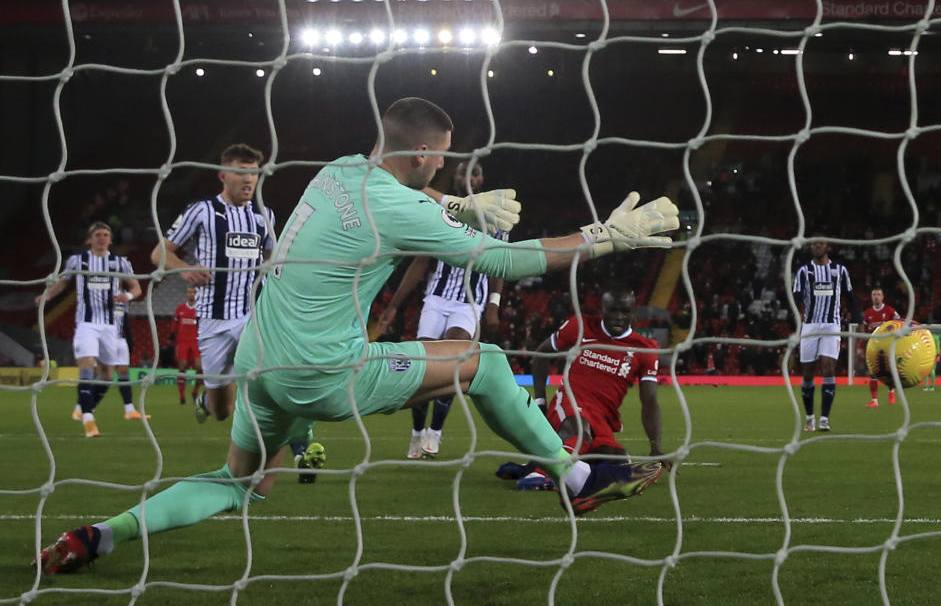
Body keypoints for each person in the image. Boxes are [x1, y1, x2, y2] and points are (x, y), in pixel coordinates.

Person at [35, 97, 680, 574]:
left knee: (237, 484)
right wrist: (604, 236)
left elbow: (395, 208)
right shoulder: (399, 204)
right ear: (428, 155)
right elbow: (500, 261)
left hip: (259, 361)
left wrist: (457, 207)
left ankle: (101, 535)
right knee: (483, 361)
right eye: (443, 157)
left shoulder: (337, 170)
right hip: (322, 372)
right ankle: (575, 479)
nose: (444, 166)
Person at [375, 161, 507, 460]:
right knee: (424, 367)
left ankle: (434, 432)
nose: (468, 178)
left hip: (469, 303)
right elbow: (421, 261)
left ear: (482, 177)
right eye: (463, 172)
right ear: (456, 177)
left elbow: (500, 264)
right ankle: (417, 433)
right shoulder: (439, 212)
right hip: (436, 299)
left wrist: (494, 306)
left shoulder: (496, 218)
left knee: (451, 365)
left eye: (474, 172)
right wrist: (394, 305)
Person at [496, 281, 667, 491]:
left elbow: (649, 401)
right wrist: (540, 401)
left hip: (602, 419)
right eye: (613, 310)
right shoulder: (581, 326)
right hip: (570, 402)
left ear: (633, 312)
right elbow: (540, 356)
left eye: (625, 311)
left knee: (621, 462)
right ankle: (540, 475)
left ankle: (536, 464)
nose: (619, 317)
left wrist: (655, 446)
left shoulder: (645, 349)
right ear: (602, 309)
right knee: (579, 430)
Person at [150, 143, 275, 425]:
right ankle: (207, 400)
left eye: (254, 174)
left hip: (252, 316)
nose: (249, 180)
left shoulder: (264, 215)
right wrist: (184, 269)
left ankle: (300, 447)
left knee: (270, 380)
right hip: (212, 320)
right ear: (223, 175)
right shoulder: (201, 211)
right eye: (241, 173)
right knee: (222, 411)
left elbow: (270, 256)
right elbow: (159, 253)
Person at [35, 222, 142, 438]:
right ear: (89, 240)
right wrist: (48, 296)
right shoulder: (78, 260)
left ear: (110, 239)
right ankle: (88, 419)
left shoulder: (119, 262)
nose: (102, 238)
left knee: (106, 375)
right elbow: (64, 282)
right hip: (86, 323)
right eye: (97, 235)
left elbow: (136, 287)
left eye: (106, 235)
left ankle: (84, 407)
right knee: (87, 366)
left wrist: (127, 296)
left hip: (111, 326)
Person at [792, 237, 861, 432]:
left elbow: (850, 295)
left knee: (829, 368)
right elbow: (796, 297)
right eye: (814, 244)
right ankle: (809, 417)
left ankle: (824, 418)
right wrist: (795, 314)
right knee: (807, 374)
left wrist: (859, 319)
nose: (817, 246)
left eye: (821, 243)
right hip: (810, 326)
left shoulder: (840, 271)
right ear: (811, 247)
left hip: (832, 325)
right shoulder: (804, 272)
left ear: (827, 246)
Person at [861, 287, 899, 407]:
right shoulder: (867, 313)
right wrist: (862, 345)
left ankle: (891, 391)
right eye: (874, 294)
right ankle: (874, 400)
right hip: (874, 347)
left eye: (878, 294)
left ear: (883, 297)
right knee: (872, 373)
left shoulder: (890, 311)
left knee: (889, 371)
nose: (876, 296)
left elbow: (900, 323)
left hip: (888, 346)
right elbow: (865, 331)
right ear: (871, 297)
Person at [172, 286, 203, 405]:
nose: (191, 294)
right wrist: (172, 340)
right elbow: (174, 326)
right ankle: (182, 396)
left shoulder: (200, 309)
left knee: (200, 368)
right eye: (189, 292)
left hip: (196, 342)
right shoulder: (180, 309)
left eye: (194, 292)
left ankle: (195, 391)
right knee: (182, 368)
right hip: (182, 342)